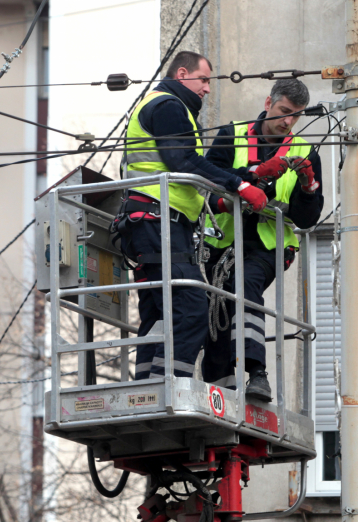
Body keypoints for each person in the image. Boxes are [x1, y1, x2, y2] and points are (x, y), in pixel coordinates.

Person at [115, 51, 290, 380]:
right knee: (193, 305)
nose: (208, 89)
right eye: (205, 80)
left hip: (150, 222)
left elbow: (189, 164)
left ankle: (148, 386)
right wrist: (239, 185)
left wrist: (250, 176)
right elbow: (184, 162)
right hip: (159, 221)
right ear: (182, 74)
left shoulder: (158, 104)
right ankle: (172, 387)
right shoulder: (169, 106)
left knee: (160, 309)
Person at [201, 78, 324, 401]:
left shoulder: (304, 151)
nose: (288, 121)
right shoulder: (232, 135)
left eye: (295, 116)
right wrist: (252, 178)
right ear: (268, 102)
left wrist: (309, 187)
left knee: (245, 282)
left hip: (270, 245)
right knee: (218, 308)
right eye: (284, 111)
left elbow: (307, 219)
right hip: (222, 242)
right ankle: (221, 390)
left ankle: (257, 373)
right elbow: (205, 185)